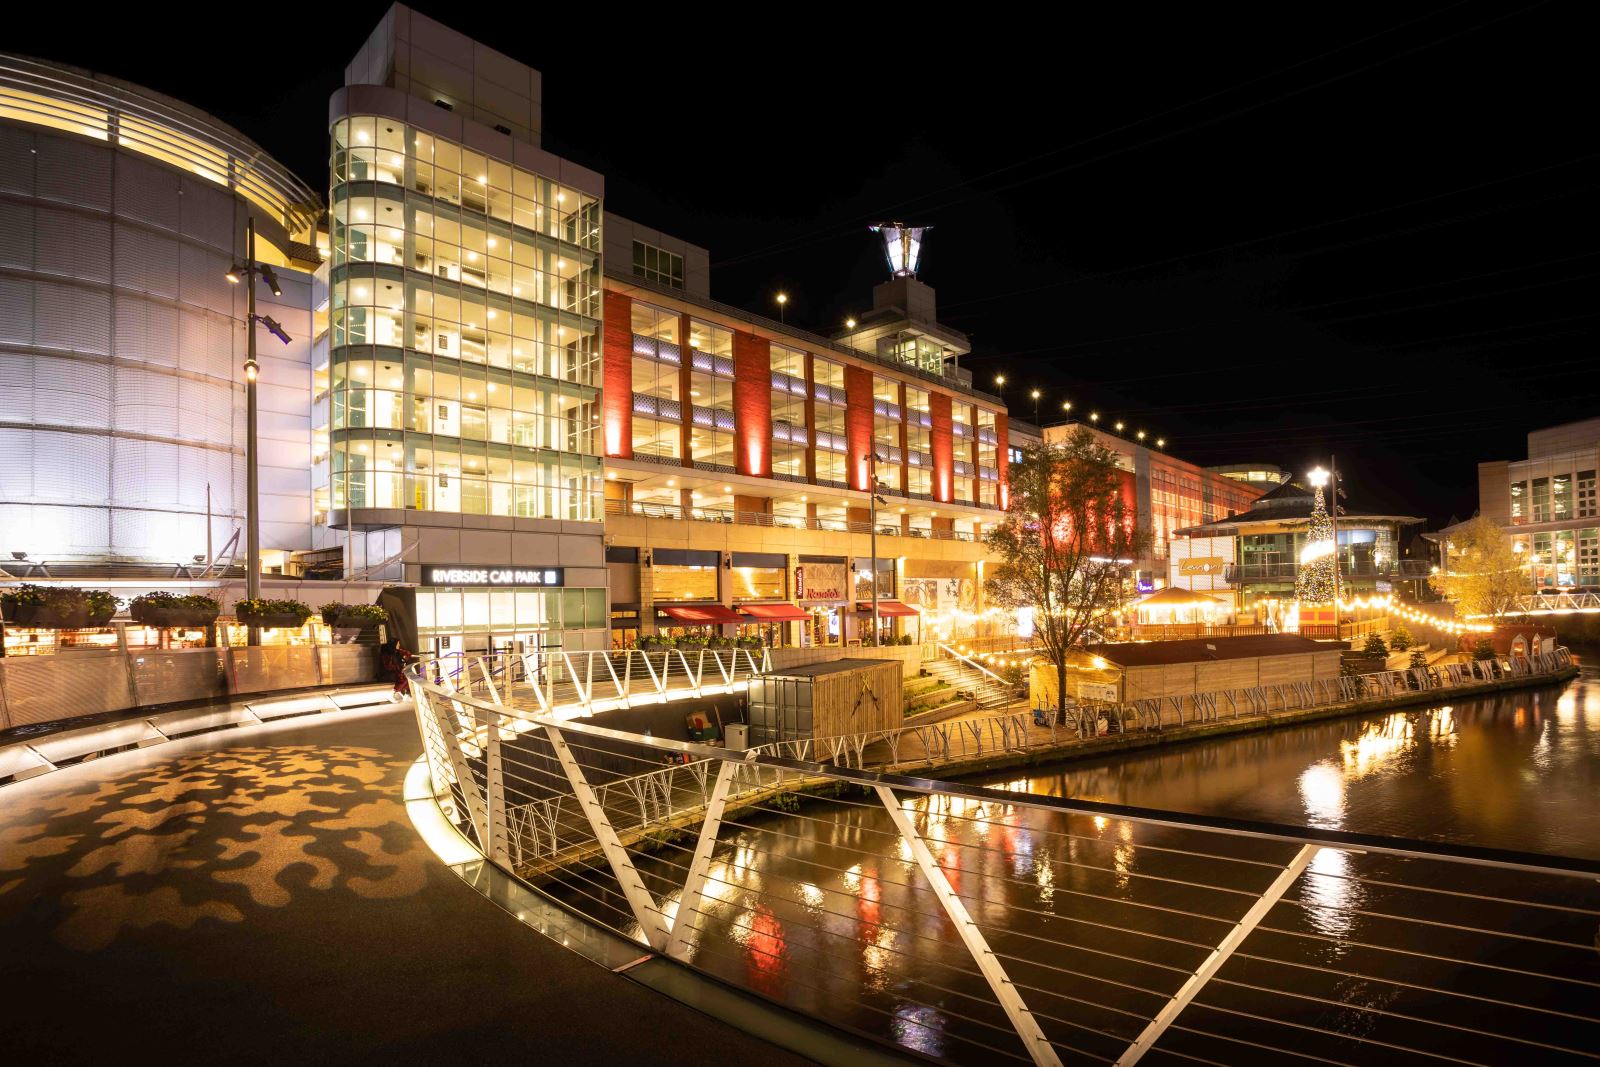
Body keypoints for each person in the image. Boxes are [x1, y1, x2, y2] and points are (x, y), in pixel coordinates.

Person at [380, 637, 414, 701]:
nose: (399, 645)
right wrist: (399, 667)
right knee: (404, 678)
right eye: (398, 644)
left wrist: (406, 656)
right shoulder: (387, 654)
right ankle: (392, 693)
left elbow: (406, 652)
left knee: (408, 677)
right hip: (389, 672)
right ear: (394, 644)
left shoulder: (396, 651)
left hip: (397, 670)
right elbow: (388, 666)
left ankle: (406, 695)